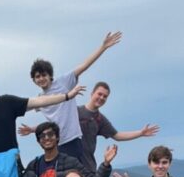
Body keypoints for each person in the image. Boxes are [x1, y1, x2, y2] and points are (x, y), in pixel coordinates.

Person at [16, 32, 123, 165]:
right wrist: (32, 129)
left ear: (50, 75)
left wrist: (103, 47)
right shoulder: (40, 100)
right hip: (55, 143)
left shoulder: (63, 82)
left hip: (72, 140)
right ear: (34, 80)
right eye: (37, 77)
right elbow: (53, 118)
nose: (41, 79)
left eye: (44, 75)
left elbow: (84, 65)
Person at [78, 81, 161, 173]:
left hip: (88, 168)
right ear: (92, 94)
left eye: (105, 96)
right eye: (99, 94)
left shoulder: (100, 120)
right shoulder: (75, 112)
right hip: (68, 167)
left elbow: (117, 135)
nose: (101, 98)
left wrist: (140, 133)